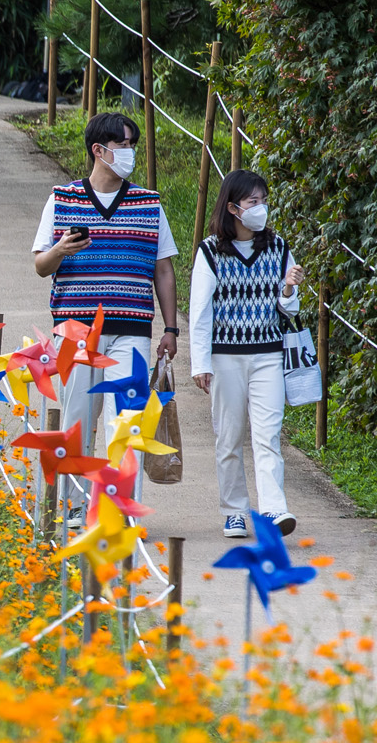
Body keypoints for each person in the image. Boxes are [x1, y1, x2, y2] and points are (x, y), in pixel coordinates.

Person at [31, 113, 180, 523]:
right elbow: (42, 265)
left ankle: (118, 510)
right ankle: (76, 506)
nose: (130, 152)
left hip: (131, 329)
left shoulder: (149, 203)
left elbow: (163, 269)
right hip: (76, 330)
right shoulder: (61, 199)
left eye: (133, 143)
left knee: (126, 423)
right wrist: (62, 249)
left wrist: (170, 327)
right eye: (124, 144)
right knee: (78, 418)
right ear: (99, 150)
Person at [190, 170, 305, 538]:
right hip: (225, 358)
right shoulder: (209, 251)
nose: (261, 209)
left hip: (268, 354)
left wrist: (288, 290)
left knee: (268, 435)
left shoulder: (278, 247)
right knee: (229, 436)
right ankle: (235, 510)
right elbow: (200, 310)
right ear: (233, 208)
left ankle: (273, 508)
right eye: (253, 202)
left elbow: (289, 309)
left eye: (263, 201)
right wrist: (201, 363)